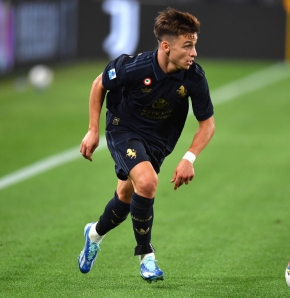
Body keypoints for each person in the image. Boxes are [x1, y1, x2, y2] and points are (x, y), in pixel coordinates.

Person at [78, 7, 215, 283]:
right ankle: (146, 256)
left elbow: (207, 124)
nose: (194, 53)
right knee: (148, 182)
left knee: (126, 199)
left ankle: (93, 234)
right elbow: (98, 84)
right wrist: (93, 130)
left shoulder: (194, 77)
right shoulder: (134, 66)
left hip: (157, 142)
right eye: (187, 46)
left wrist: (189, 157)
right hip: (123, 129)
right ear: (166, 46)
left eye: (195, 45)